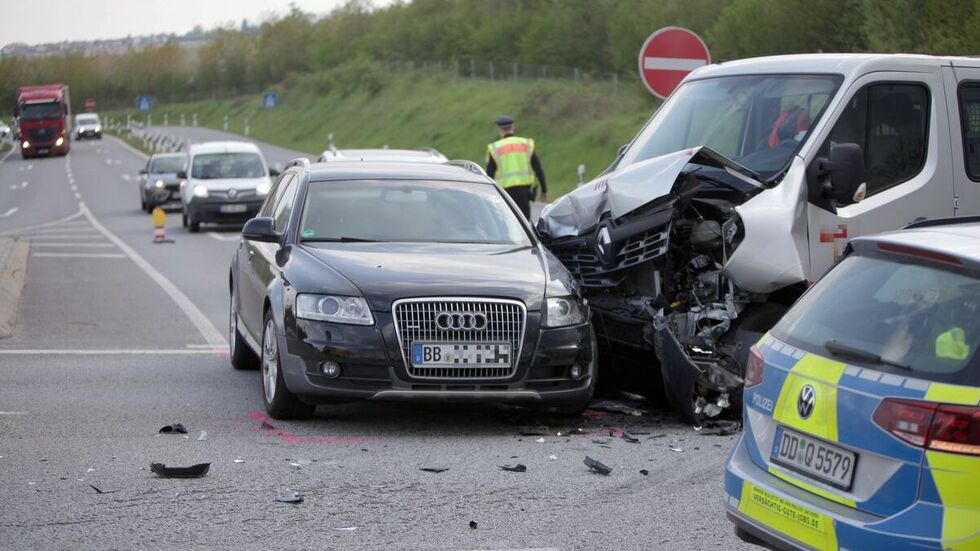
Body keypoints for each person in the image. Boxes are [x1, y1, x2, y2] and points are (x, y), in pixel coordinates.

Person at [486, 115, 547, 219]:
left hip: (505, 193)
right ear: (513, 127)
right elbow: (538, 168)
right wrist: (544, 189)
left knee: (509, 222)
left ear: (500, 130)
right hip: (524, 192)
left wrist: (488, 194)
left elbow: (489, 174)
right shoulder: (526, 144)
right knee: (525, 223)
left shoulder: (495, 148)